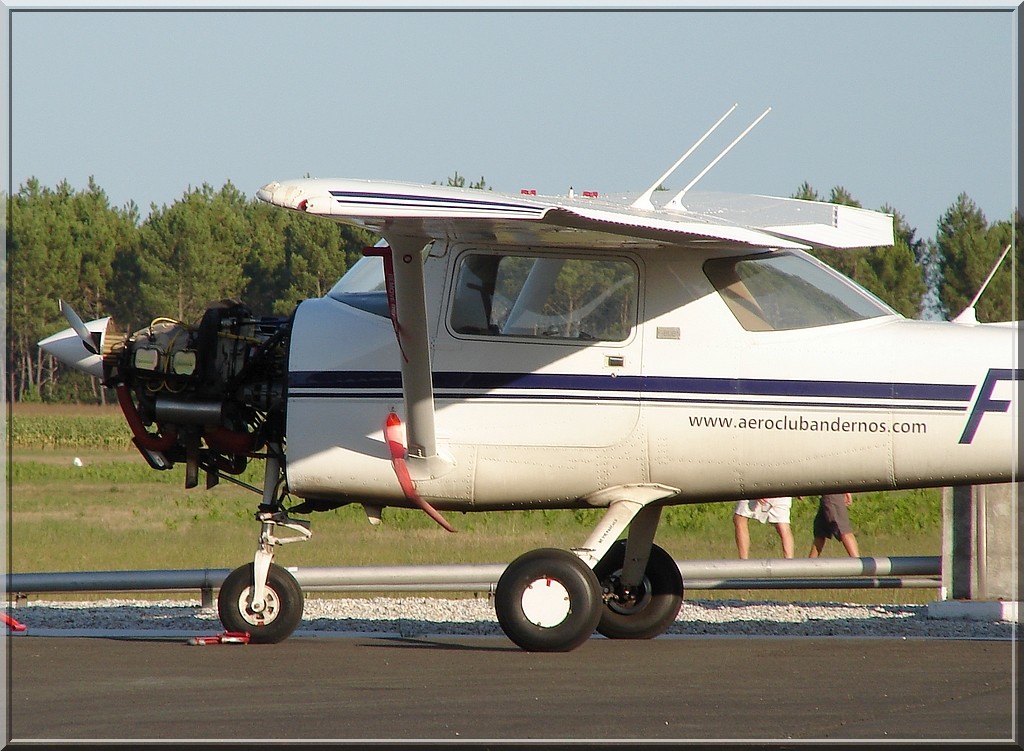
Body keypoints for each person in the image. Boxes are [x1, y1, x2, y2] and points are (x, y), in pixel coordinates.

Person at [808, 492, 860, 557]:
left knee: (843, 529)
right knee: (820, 532)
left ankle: (859, 564)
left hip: (830, 490)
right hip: (827, 489)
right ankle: (810, 564)